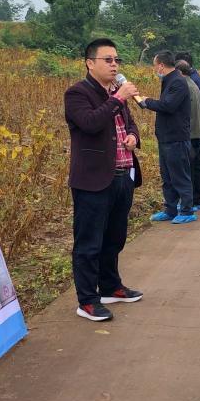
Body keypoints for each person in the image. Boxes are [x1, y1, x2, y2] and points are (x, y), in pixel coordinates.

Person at [64, 38, 144, 322]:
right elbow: (90, 123)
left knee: (114, 238)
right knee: (89, 243)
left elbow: (128, 123)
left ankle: (110, 286)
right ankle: (87, 300)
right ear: (90, 63)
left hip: (122, 176)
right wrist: (119, 97)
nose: (114, 65)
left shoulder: (115, 94)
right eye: (107, 60)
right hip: (93, 181)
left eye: (116, 60)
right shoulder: (78, 93)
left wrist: (134, 136)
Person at [138, 50, 197, 224]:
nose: (154, 69)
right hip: (165, 137)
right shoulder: (168, 81)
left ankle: (186, 210)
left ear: (161, 65)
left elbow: (168, 106)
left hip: (176, 137)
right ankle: (170, 209)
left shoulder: (178, 82)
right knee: (167, 177)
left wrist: (148, 102)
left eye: (155, 65)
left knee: (179, 175)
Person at [176, 51, 200, 210]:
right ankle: (199, 197)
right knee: (197, 163)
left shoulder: (192, 82)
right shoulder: (195, 79)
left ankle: (198, 198)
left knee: (196, 165)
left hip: (198, 130)